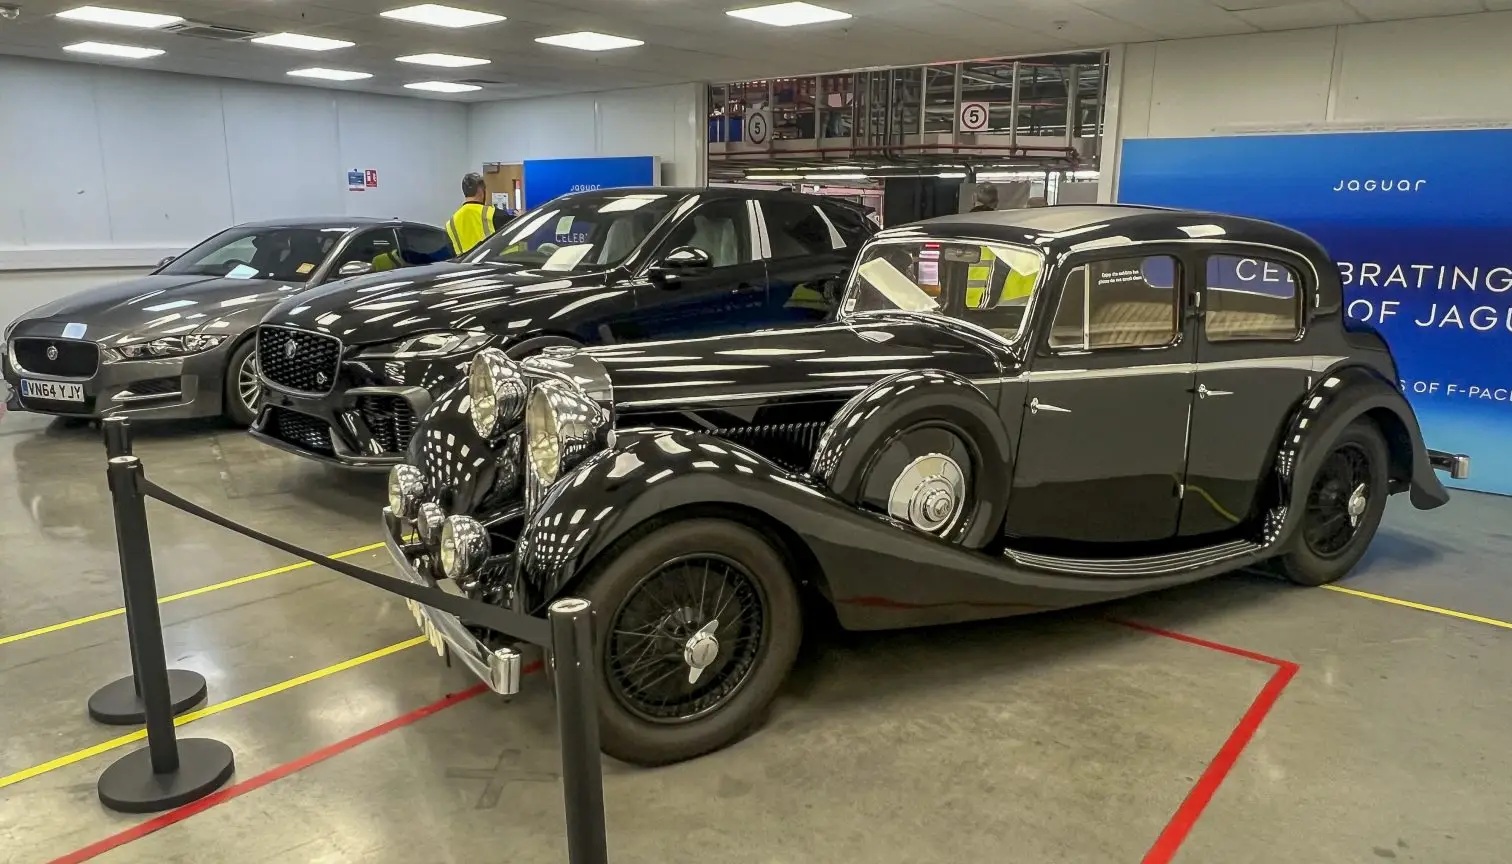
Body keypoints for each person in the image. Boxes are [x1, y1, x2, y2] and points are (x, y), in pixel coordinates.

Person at [445, 172, 508, 256]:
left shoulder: (450, 224)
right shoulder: (493, 214)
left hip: (466, 264)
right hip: (492, 262)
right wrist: (521, 216)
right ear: (480, 190)